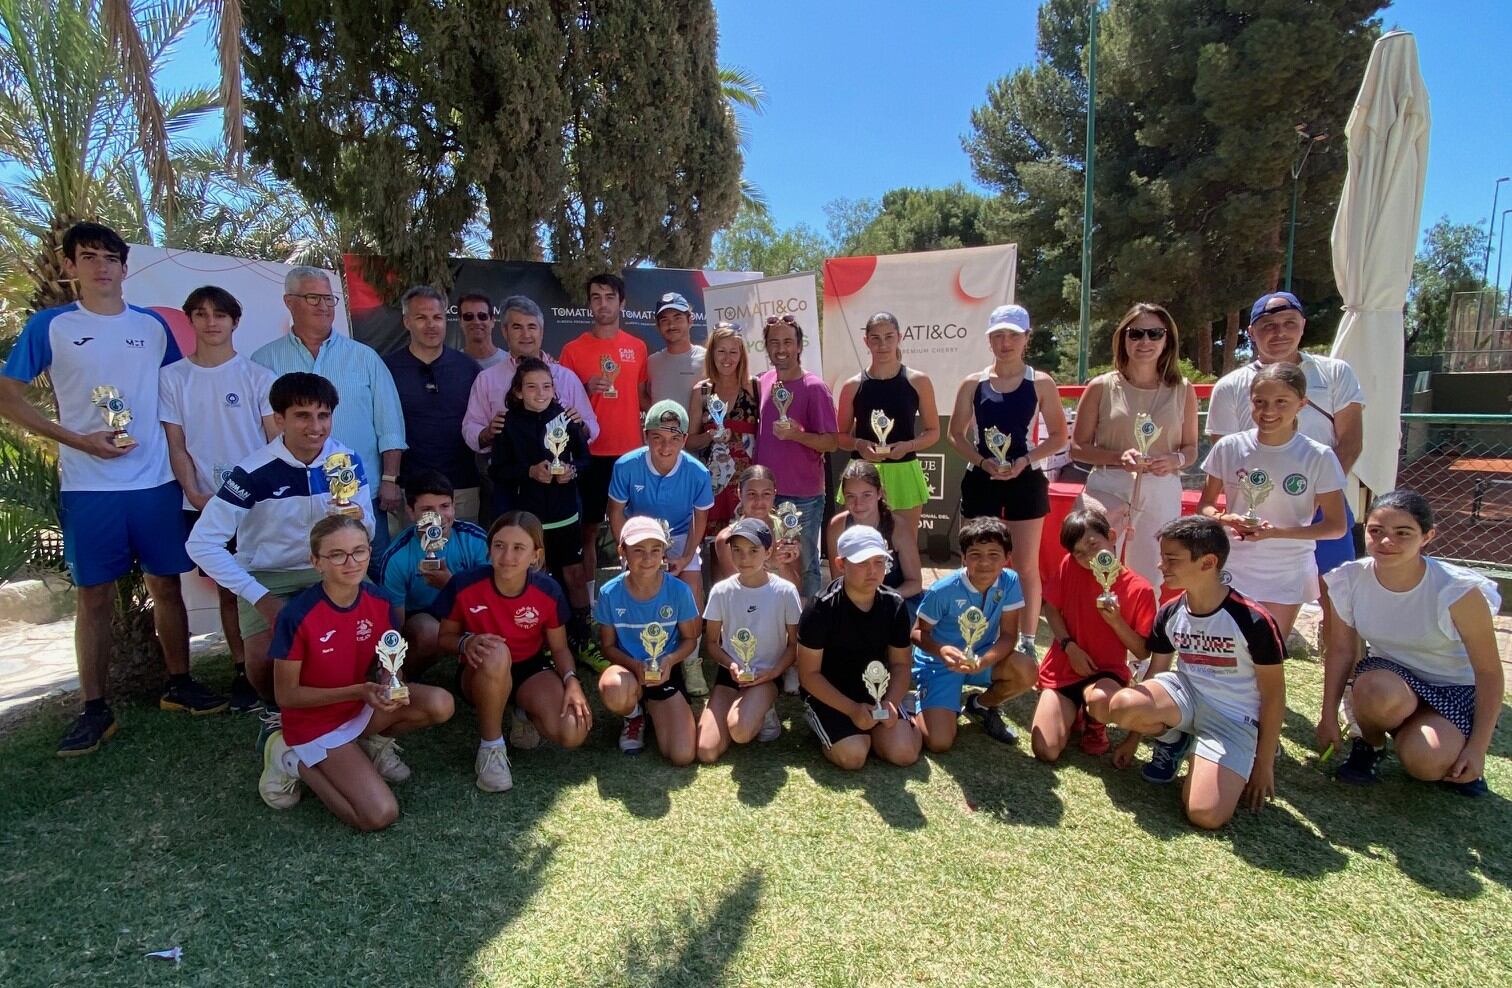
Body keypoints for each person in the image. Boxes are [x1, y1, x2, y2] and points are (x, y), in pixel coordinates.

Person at [0, 221, 225, 756]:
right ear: (70, 266)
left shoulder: (151, 327)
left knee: (167, 585)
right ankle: (94, 708)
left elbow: (181, 394)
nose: (101, 265)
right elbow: (9, 396)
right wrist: (76, 439)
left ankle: (179, 684)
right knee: (93, 597)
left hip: (155, 481)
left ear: (125, 268)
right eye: (88, 256)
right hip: (89, 487)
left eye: (110, 257)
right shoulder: (51, 326)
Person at [187, 372, 376, 751]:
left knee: (378, 630)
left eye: (323, 416)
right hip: (269, 574)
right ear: (279, 419)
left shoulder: (346, 461)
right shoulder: (253, 472)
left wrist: (359, 520)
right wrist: (259, 596)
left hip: (332, 568)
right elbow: (200, 543)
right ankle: (276, 714)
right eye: (302, 416)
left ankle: (366, 720)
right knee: (264, 659)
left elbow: (367, 527)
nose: (315, 426)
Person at [257, 515, 454, 828]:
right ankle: (292, 760)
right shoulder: (297, 615)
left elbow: (390, 657)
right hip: (314, 724)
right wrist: (360, 690)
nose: (352, 562)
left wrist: (392, 682)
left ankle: (364, 744)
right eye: (337, 554)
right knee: (379, 815)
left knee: (441, 703)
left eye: (360, 551)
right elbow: (286, 696)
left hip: (359, 708)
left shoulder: (379, 600)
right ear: (316, 562)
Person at [1104, 516, 1285, 829]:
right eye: (1162, 558)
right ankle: (1174, 741)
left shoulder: (1253, 620)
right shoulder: (1171, 611)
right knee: (1122, 705)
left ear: (1208, 562)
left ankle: (1200, 748)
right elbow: (1155, 675)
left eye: (1172, 559)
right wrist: (1134, 737)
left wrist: (1263, 764)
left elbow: (1274, 696)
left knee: (1205, 815)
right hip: (1185, 699)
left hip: (1233, 719)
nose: (1162, 566)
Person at [1317, 491, 1503, 796]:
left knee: (1425, 764)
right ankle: (1370, 744)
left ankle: (1430, 738)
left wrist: (1477, 748)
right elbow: (1341, 650)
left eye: (1403, 533)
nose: (1387, 542)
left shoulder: (1457, 590)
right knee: (1373, 687)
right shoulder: (1348, 579)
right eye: (1376, 531)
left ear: (1427, 536)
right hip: (1390, 681)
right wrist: (1327, 716)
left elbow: (1489, 673)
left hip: (1454, 688)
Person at [1208, 291, 1365, 648]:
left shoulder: (1336, 372)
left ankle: (1348, 685)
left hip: (1325, 508)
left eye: (1289, 323)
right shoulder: (1230, 386)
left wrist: (1313, 501)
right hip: (1256, 520)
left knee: (1339, 600)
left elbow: (1350, 443)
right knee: (1240, 612)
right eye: (1268, 326)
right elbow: (1226, 458)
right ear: (1252, 331)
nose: (1279, 332)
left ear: (1303, 326)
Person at [160, 284, 278, 713]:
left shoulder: (257, 377)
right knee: (230, 589)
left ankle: (279, 664)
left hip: (259, 504)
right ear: (190, 319)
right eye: (201, 314)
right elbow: (176, 444)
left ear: (234, 322)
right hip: (207, 502)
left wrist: (266, 494)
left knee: (266, 580)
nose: (211, 323)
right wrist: (193, 491)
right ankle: (241, 669)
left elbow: (273, 442)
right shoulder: (172, 377)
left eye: (220, 315)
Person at [252, 265, 405, 556]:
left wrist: (389, 480)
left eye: (328, 298)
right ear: (289, 301)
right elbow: (258, 430)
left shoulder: (365, 357)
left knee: (372, 568)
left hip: (362, 492)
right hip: (292, 496)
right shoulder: (263, 361)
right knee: (307, 571)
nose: (323, 306)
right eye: (313, 298)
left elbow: (390, 425)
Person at [435, 511, 593, 792]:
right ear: (489, 548)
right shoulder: (464, 584)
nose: (507, 555)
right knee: (496, 652)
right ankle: (491, 748)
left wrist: (571, 681)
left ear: (536, 555)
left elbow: (558, 647)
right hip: (480, 668)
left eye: (519, 548)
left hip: (529, 667)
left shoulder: (548, 590)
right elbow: (444, 638)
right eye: (499, 545)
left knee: (573, 732)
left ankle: (522, 710)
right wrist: (464, 643)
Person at [948, 304, 1068, 659]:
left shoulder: (1041, 382)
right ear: (989, 340)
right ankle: (968, 631)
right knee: (972, 560)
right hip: (982, 479)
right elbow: (956, 434)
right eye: (998, 335)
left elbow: (1059, 436)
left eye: (1013, 335)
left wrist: (1025, 461)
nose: (1005, 343)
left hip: (1025, 480)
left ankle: (1027, 640)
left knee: (1026, 565)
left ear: (1026, 338)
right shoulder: (973, 383)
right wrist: (984, 462)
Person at [1198, 363, 1346, 640]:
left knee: (1265, 651)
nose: (1268, 411)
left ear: (1302, 404)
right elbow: (1204, 506)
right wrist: (1223, 518)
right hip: (1233, 563)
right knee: (1224, 645)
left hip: (1286, 569)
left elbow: (1336, 526)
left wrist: (1276, 533)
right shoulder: (1229, 447)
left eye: (1281, 402)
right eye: (1260, 402)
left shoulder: (1318, 456)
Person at [1069, 303, 1198, 591]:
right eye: (1136, 333)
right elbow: (1078, 448)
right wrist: (1118, 458)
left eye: (1155, 334)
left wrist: (1174, 460)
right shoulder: (1101, 386)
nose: (1145, 342)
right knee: (1095, 570)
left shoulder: (1183, 389)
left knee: (1150, 576)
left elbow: (1191, 450)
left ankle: (1140, 633)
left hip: (1161, 489)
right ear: (1122, 338)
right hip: (1108, 488)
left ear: (1168, 340)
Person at [487, 356, 598, 665]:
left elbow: (586, 459)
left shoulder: (565, 418)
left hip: (564, 514)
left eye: (547, 386)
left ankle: (583, 637)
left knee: (574, 576)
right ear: (519, 391)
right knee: (535, 578)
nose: (540, 393)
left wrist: (572, 470)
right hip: (529, 519)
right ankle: (541, 643)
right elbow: (497, 469)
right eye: (532, 387)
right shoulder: (508, 424)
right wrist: (529, 472)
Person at [1032, 508, 1156, 764]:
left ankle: (1095, 724)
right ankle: (1076, 712)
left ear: (1111, 536)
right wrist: (1069, 647)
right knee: (1046, 750)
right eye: (1078, 552)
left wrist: (1116, 622)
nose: (1088, 557)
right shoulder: (1069, 567)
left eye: (1093, 544)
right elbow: (1051, 608)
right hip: (1065, 666)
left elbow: (1143, 651)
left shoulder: (1140, 589)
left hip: (1105, 673)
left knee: (1100, 700)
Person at [606, 399, 713, 694]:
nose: (666, 447)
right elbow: (616, 511)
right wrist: (625, 548)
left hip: (678, 535)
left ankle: (691, 661)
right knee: (635, 588)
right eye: (658, 438)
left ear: (685, 440)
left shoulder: (697, 472)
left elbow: (699, 517)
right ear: (646, 436)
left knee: (691, 589)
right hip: (639, 535)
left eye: (674, 439)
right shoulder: (626, 466)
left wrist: (688, 555)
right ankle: (631, 654)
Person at [796, 525, 922, 770]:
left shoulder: (894, 604)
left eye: (879, 562)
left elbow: (900, 664)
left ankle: (905, 719)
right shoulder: (820, 608)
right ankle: (838, 731)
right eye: (862, 563)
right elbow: (808, 675)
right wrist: (852, 710)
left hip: (878, 695)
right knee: (852, 757)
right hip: (831, 696)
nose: (873, 571)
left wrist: (891, 703)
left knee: (904, 753)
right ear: (841, 564)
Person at [558, 274, 650, 605]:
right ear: (589, 304)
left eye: (609, 297)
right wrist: (585, 389)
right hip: (588, 455)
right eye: (596, 297)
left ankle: (638, 595)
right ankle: (593, 603)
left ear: (621, 303)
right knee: (588, 531)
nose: (603, 303)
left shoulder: (637, 347)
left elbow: (643, 398)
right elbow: (561, 402)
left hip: (630, 453)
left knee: (635, 530)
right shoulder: (572, 350)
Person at [910, 518, 1036, 753]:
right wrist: (941, 650)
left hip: (980, 656)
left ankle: (980, 705)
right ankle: (921, 700)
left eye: (993, 554)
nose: (985, 562)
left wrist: (983, 662)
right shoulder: (942, 590)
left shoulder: (1010, 581)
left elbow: (1009, 635)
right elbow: (917, 633)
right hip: (940, 663)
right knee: (939, 743)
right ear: (963, 557)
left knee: (1027, 669)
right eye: (976, 554)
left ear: (1007, 556)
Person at [835, 311, 939, 573]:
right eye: (876, 338)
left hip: (904, 472)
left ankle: (900, 605)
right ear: (866, 341)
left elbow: (933, 432)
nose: (882, 345)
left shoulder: (918, 381)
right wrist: (859, 445)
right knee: (857, 546)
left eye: (889, 337)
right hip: (862, 475)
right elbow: (841, 437)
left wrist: (907, 447)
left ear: (899, 338)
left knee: (904, 546)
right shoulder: (852, 385)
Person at [593, 517, 700, 763]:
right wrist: (635, 665)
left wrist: (669, 661)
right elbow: (607, 646)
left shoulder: (679, 590)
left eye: (655, 550)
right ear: (623, 551)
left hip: (664, 671)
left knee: (682, 755)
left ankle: (655, 707)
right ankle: (634, 715)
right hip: (628, 671)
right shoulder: (609, 592)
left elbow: (690, 640)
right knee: (613, 688)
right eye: (638, 550)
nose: (648, 558)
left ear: (664, 552)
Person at [696, 518, 801, 762]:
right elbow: (712, 643)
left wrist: (774, 673)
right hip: (730, 676)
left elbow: (794, 645)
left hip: (767, 675)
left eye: (753, 550)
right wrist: (731, 665)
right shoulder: (721, 591)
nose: (744, 558)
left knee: (740, 731)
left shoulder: (785, 591)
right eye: (737, 551)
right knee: (706, 751)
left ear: (768, 552)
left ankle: (764, 709)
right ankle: (741, 704)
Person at [754, 315, 838, 604]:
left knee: (805, 563)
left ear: (799, 346)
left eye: (788, 342)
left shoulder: (814, 387)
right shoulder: (764, 381)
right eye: (774, 342)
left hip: (802, 496)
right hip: (765, 493)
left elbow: (832, 441)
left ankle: (809, 623)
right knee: (766, 559)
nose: (781, 348)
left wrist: (797, 435)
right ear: (766, 347)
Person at [382, 286, 481, 523]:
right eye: (421, 318)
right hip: (407, 493)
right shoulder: (386, 369)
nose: (431, 325)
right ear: (406, 322)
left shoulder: (468, 368)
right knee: (409, 560)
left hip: (461, 489)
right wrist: (390, 480)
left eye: (437, 317)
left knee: (462, 560)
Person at [374, 470, 489, 672]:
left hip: (468, 609)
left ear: (454, 506)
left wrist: (450, 585)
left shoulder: (475, 539)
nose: (437, 518)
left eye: (445, 506)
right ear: (410, 512)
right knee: (429, 633)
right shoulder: (396, 556)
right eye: (427, 509)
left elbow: (490, 599)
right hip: (421, 616)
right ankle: (403, 678)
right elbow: (394, 624)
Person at [462, 294, 599, 461]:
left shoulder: (566, 378)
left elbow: (592, 427)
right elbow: (470, 427)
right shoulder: (486, 379)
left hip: (558, 475)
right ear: (505, 332)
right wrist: (487, 432)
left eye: (532, 327)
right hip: (505, 476)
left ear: (541, 332)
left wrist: (580, 426)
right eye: (517, 327)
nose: (525, 334)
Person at [686, 321, 758, 533]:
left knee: (748, 542)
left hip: (748, 485)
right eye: (721, 351)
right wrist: (710, 436)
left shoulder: (754, 386)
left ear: (741, 354)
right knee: (717, 549)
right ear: (712, 354)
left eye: (733, 352)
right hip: (713, 486)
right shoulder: (702, 391)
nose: (727, 359)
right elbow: (689, 441)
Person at [825, 460, 923, 616]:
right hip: (854, 600)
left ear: (879, 493)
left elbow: (915, 583)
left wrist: (883, 598)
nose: (858, 504)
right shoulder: (837, 526)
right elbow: (837, 579)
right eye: (851, 496)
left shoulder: (898, 527)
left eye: (866, 495)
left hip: (897, 599)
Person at [711, 465, 803, 592]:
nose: (759, 501)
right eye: (751, 494)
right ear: (739, 493)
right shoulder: (726, 538)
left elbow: (796, 589)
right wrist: (771, 561)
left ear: (774, 494)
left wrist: (783, 564)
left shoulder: (787, 532)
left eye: (766, 494)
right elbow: (738, 590)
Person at [646, 292, 706, 413]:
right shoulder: (651, 362)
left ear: (690, 320)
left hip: (698, 432)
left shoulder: (707, 358)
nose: (671, 325)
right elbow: (642, 396)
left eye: (677, 318)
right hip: (660, 432)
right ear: (658, 326)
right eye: (664, 320)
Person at [458, 293, 507, 370]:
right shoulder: (452, 364)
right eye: (468, 316)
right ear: (460, 322)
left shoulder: (509, 363)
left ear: (492, 321)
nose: (476, 322)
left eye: (482, 316)